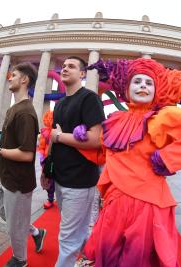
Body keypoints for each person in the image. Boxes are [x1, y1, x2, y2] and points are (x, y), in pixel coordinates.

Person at [81, 58, 181, 266]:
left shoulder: (164, 118)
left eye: (149, 83)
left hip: (147, 205)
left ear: (156, 89)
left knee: (138, 258)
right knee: (109, 255)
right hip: (115, 203)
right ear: (126, 88)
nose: (143, 85)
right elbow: (103, 155)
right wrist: (82, 139)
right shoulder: (114, 120)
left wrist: (166, 159)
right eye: (137, 81)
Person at [39, 56, 105, 267]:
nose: (65, 69)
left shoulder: (89, 99)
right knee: (78, 229)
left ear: (83, 73)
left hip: (80, 180)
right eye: (64, 66)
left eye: (72, 66)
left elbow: (96, 139)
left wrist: (60, 136)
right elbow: (52, 138)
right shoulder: (60, 104)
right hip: (60, 178)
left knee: (67, 238)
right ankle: (96, 257)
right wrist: (46, 170)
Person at [0, 62, 45, 267]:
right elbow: (14, 142)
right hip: (6, 175)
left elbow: (27, 154)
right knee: (6, 215)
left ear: (24, 80)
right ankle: (37, 232)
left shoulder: (26, 113)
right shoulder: (15, 108)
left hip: (19, 182)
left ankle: (20, 260)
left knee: (14, 227)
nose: (9, 78)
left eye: (14, 75)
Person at [37, 110, 55, 209]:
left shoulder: (59, 131)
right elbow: (41, 147)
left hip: (59, 160)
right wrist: (42, 159)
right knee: (49, 180)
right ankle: (50, 198)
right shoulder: (45, 133)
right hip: (48, 161)